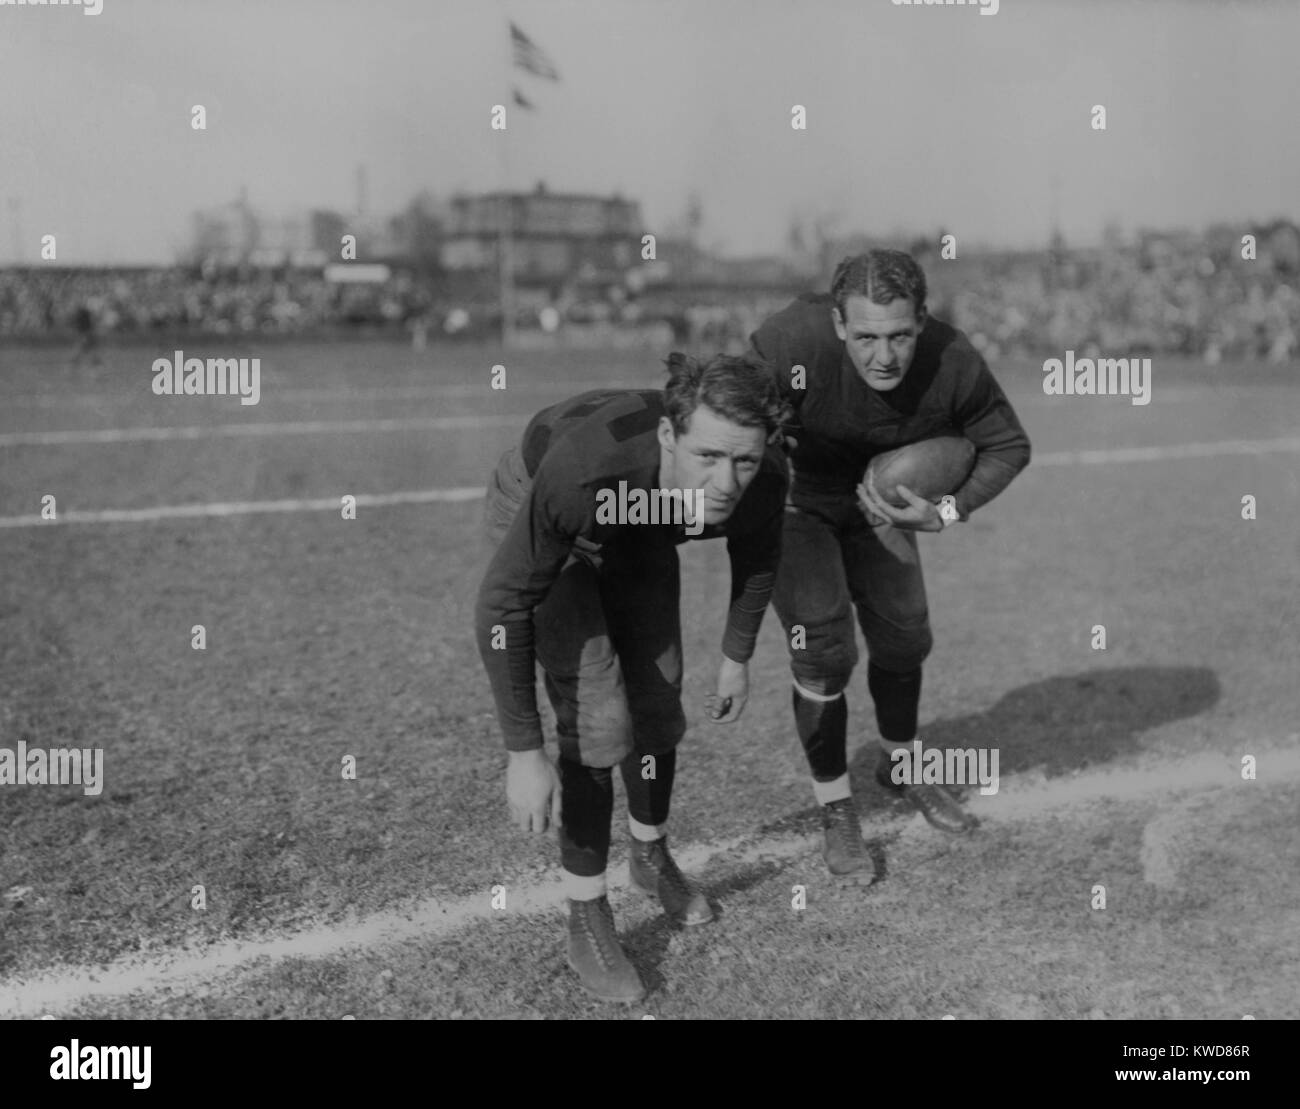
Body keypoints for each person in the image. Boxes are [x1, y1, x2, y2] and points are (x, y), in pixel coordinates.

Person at [474, 352, 788, 1002]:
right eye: (708, 456)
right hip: (556, 507)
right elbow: (502, 605)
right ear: (670, 437)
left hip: (641, 521)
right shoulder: (582, 475)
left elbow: (758, 549)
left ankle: (649, 855)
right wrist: (523, 752)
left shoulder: (762, 473)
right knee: (599, 716)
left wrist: (737, 652)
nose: (727, 482)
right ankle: (587, 914)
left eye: (745, 460)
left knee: (658, 699)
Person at [749, 249, 1031, 877]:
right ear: (839, 325)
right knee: (824, 648)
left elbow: (1008, 445)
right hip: (800, 504)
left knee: (906, 637)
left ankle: (901, 764)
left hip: (884, 505)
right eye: (868, 336)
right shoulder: (790, 343)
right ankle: (836, 808)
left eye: (900, 335)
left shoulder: (951, 359)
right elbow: (725, 420)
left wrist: (946, 512)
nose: (884, 356)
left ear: (923, 322)